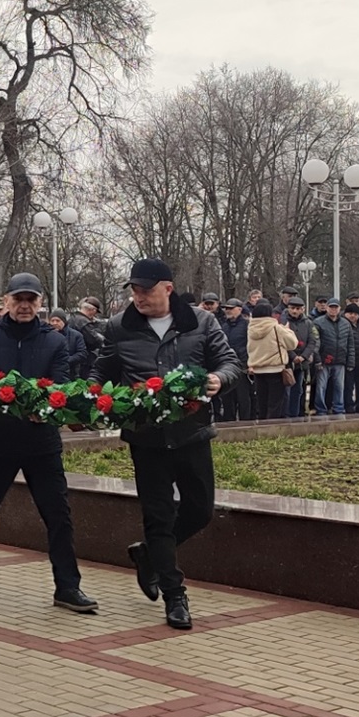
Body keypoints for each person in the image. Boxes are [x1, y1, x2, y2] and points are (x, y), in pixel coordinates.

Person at [93, 258, 239, 631]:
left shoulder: (201, 322)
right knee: (157, 517)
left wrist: (218, 379)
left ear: (168, 289)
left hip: (192, 432)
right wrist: (91, 395)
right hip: (147, 437)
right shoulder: (119, 327)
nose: (139, 296)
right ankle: (175, 596)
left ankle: (147, 555)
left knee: (200, 510)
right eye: (135, 290)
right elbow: (102, 371)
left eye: (146, 289)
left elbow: (230, 363)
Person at [0, 272, 90, 609]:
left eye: (32, 300)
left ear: (40, 304)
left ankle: (67, 587)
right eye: (19, 299)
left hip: (41, 442)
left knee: (58, 513)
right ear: (7, 301)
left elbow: (60, 385)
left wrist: (45, 408)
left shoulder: (55, 341)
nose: (25, 306)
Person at [244, 301, 298, 419]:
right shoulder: (276, 328)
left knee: (262, 404)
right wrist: (287, 329)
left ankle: (262, 430)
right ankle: (272, 431)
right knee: (275, 404)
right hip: (276, 370)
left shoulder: (250, 329)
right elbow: (293, 344)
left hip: (258, 371)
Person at [310, 297, 353, 416]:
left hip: (340, 361)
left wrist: (350, 361)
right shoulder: (318, 322)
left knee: (339, 387)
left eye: (336, 307)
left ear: (340, 309)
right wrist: (317, 360)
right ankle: (321, 409)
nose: (333, 310)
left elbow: (350, 344)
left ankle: (339, 408)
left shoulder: (346, 324)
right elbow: (315, 343)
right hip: (324, 361)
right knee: (321, 387)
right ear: (327, 308)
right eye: (331, 307)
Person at [216, 298, 252, 421]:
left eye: (231, 308)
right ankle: (228, 423)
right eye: (226, 308)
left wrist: (248, 363)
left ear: (240, 309)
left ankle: (245, 423)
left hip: (243, 367)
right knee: (227, 399)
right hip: (226, 368)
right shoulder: (224, 326)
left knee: (243, 399)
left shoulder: (247, 325)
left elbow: (250, 345)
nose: (228, 310)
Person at [283, 297, 316, 417]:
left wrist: (303, 356)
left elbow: (312, 341)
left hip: (302, 363)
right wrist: (293, 356)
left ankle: (295, 414)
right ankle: (286, 415)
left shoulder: (308, 323)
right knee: (287, 391)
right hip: (287, 362)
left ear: (303, 309)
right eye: (292, 308)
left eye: (298, 309)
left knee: (298, 390)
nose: (295, 311)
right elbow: (282, 341)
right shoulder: (283, 322)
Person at [47, 306, 92, 378]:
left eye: (58, 320)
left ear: (64, 321)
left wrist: (66, 360)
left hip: (71, 374)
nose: (54, 323)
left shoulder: (76, 335)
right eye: (52, 320)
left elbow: (82, 353)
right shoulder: (46, 335)